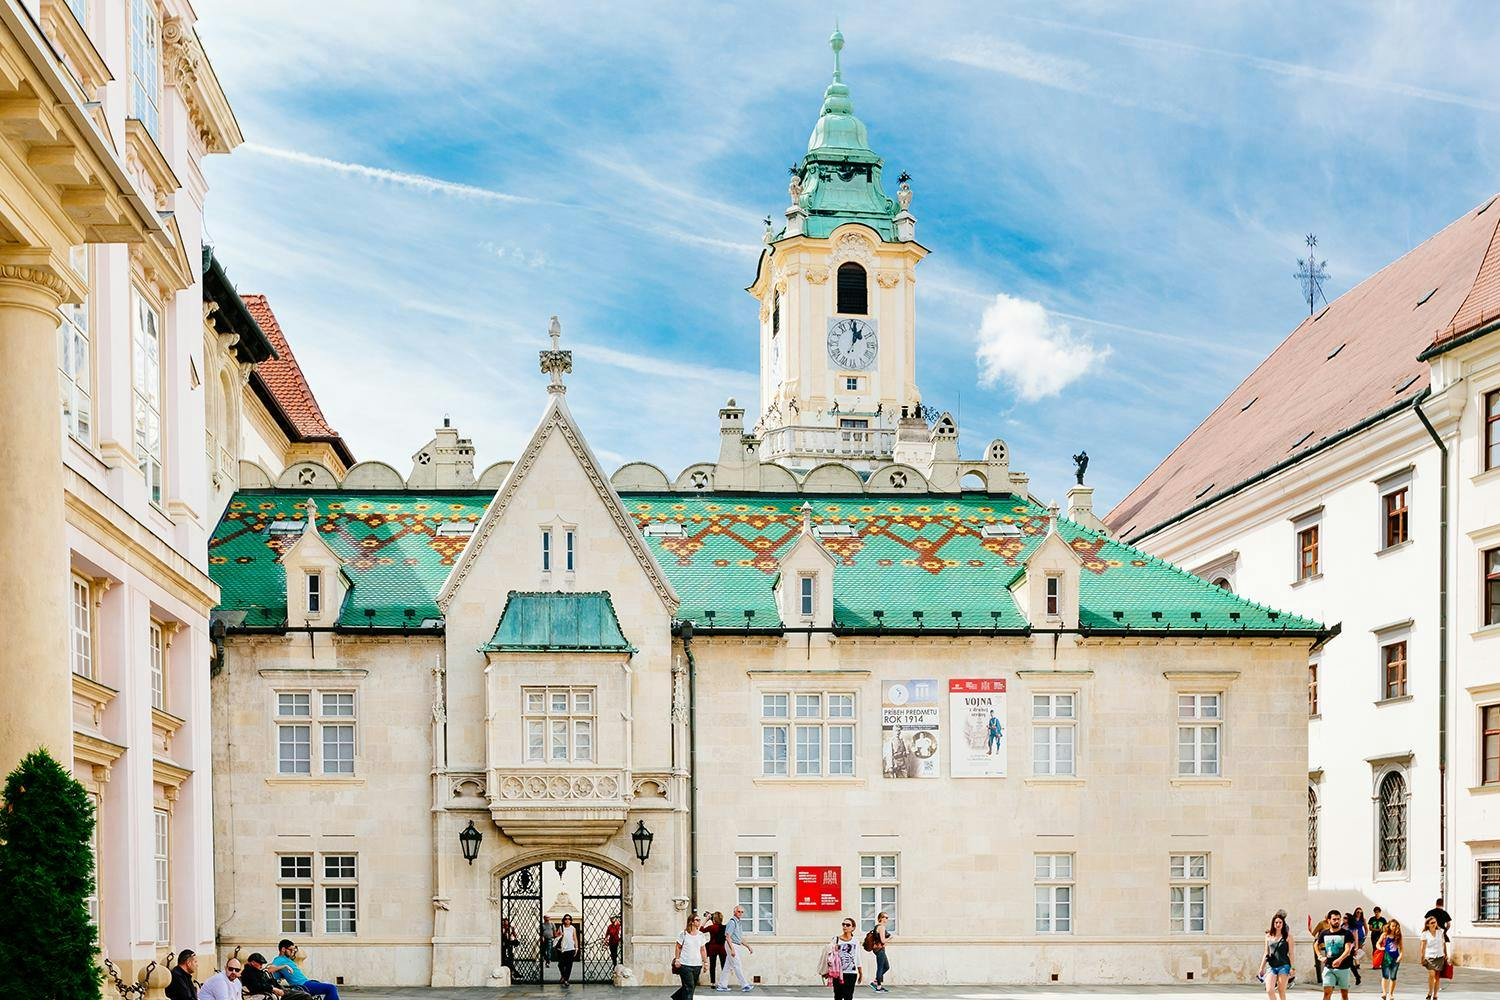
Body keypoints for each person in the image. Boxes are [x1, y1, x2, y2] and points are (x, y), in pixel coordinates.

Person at [267, 940, 340, 1000]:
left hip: (306, 983)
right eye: (291, 950)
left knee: (328, 987)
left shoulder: (288, 959)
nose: (293, 952)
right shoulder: (279, 959)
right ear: (283, 949)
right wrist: (285, 966)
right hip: (302, 985)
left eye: (294, 950)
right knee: (331, 987)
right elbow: (269, 969)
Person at [1315, 909, 1356, 1000]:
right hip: (1329, 967)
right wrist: (1319, 956)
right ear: (1329, 920)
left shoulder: (1346, 933)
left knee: (1344, 995)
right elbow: (1316, 944)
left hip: (1343, 967)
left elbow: (1347, 950)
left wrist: (1339, 960)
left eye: (1338, 919)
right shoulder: (1324, 933)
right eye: (1334, 919)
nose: (1337, 921)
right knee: (1327, 993)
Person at [672, 913, 709, 1000]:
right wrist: (677, 959)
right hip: (685, 964)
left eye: (699, 920)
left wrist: (706, 962)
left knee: (690, 987)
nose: (699, 922)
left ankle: (677, 997)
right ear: (691, 922)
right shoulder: (683, 934)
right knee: (689, 987)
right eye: (697, 920)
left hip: (697, 965)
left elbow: (703, 949)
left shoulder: (701, 935)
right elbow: (678, 947)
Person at [1259, 910, 1293, 1000]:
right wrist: (1261, 967)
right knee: (1269, 990)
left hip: (1284, 965)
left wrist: (1292, 968)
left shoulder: (1288, 936)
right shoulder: (1268, 936)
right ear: (1273, 924)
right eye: (1276, 922)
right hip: (1271, 966)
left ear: (1283, 924)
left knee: (1281, 991)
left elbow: (1291, 953)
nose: (1278, 924)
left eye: (1280, 922)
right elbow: (1266, 953)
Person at [825, 917, 859, 1000]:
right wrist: (833, 948)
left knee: (848, 997)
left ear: (853, 928)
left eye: (848, 925)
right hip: (838, 973)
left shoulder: (855, 941)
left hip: (851, 973)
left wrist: (860, 972)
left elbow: (858, 957)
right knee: (838, 996)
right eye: (843, 924)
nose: (845, 926)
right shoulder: (836, 939)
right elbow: (829, 956)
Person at [723, 904, 754, 992]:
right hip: (731, 945)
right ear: (734, 912)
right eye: (739, 911)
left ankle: (722, 985)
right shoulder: (732, 922)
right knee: (737, 965)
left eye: (742, 912)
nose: (740, 913)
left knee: (728, 966)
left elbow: (739, 938)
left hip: (735, 945)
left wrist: (748, 946)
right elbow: (728, 936)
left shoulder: (738, 922)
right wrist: (732, 949)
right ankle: (745, 985)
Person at [1420, 914, 1448, 1000]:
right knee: (1431, 974)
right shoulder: (1425, 934)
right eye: (1432, 923)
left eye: (1435, 922)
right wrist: (1422, 958)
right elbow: (1423, 947)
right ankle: (1430, 992)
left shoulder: (1440, 932)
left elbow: (1443, 944)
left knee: (1437, 977)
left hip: (1440, 956)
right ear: (1427, 924)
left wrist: (1446, 954)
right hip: (1429, 957)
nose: (1434, 924)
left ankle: (1435, 995)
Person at [1376, 918, 1404, 1000]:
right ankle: (1384, 993)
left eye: (1396, 926)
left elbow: (1401, 948)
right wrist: (1380, 948)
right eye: (1393, 926)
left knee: (1393, 977)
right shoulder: (1384, 935)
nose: (1394, 928)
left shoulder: (1398, 936)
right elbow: (1378, 943)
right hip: (1385, 958)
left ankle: (1390, 994)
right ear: (1389, 926)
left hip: (1395, 958)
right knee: (1385, 976)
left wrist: (1400, 956)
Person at [554, 913, 578, 988]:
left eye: (569, 919)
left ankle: (566, 980)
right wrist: (559, 934)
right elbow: (555, 935)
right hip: (562, 949)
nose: (567, 920)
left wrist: (576, 948)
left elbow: (575, 938)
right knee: (560, 964)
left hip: (571, 948)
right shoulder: (561, 927)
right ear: (563, 920)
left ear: (570, 920)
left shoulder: (573, 928)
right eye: (566, 919)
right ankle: (564, 976)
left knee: (569, 965)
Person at [869, 911, 891, 992]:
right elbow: (883, 940)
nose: (886, 919)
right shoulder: (881, 927)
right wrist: (890, 938)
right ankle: (878, 986)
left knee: (886, 967)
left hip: (878, 949)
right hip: (880, 949)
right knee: (880, 967)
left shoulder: (877, 927)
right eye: (885, 917)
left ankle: (875, 981)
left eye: (887, 917)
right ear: (881, 918)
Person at [706, 910, 727, 988]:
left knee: (712, 965)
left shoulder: (711, 927)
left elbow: (701, 930)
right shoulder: (725, 927)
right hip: (722, 947)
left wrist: (706, 919)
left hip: (713, 947)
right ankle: (724, 982)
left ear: (713, 919)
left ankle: (713, 983)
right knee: (723, 965)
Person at [1349, 909, 1367, 986]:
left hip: (1360, 936)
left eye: (1360, 912)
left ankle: (1357, 963)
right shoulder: (1351, 920)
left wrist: (1366, 935)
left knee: (1358, 950)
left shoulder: (1363, 919)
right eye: (1358, 912)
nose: (1359, 913)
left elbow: (1366, 928)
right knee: (1350, 961)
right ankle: (1357, 964)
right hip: (1352, 939)